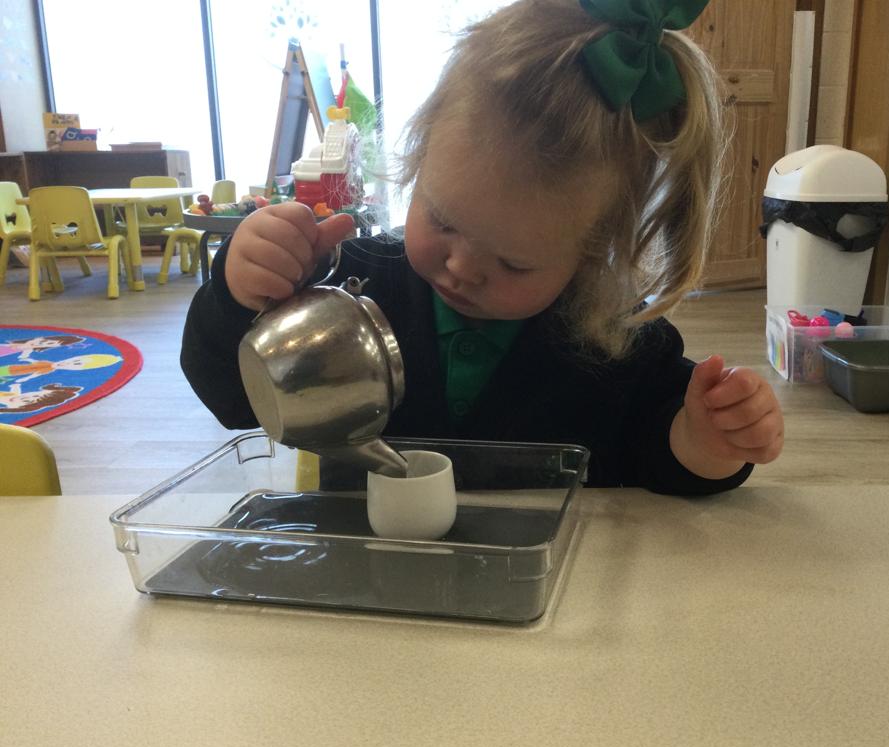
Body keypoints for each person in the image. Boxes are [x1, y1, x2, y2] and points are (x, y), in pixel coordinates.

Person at [181, 0, 784, 495]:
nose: (462, 268)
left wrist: (707, 442)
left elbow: (661, 454)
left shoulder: (617, 341)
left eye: (514, 262)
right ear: (418, 160)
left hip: (558, 596)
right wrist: (239, 293)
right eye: (442, 220)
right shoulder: (345, 283)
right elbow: (234, 398)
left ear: (595, 251)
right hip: (364, 578)